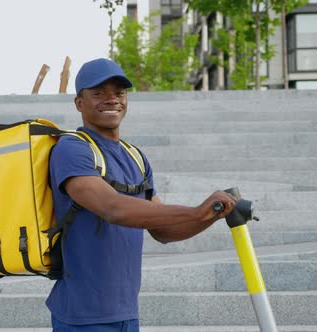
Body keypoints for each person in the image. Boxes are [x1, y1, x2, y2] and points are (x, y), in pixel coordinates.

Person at [46, 58, 238, 331]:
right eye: (99, 93)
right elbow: (112, 207)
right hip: (82, 316)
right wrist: (195, 210)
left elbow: (163, 231)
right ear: (79, 103)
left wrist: (214, 214)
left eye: (119, 93)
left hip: (126, 313)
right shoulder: (72, 149)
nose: (111, 99)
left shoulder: (135, 156)